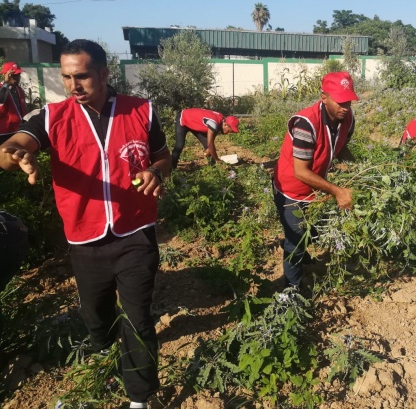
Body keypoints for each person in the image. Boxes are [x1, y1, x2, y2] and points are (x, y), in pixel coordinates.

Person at [0, 40, 171, 409]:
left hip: (135, 232)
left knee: (138, 316)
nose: (73, 85)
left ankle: (140, 398)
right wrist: (15, 155)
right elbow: (17, 144)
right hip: (85, 236)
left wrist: (157, 171)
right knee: (96, 315)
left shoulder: (141, 110)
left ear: (105, 75)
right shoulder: (51, 116)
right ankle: (104, 354)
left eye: (82, 77)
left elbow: (162, 156)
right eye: (66, 77)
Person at [273, 71, 358, 288]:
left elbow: (340, 145)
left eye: (348, 100)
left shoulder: (347, 119)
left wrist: (358, 167)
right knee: (297, 242)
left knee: (315, 231)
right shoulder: (305, 123)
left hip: (315, 188)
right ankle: (291, 292)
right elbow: (300, 172)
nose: (345, 107)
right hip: (291, 190)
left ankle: (293, 244)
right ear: (324, 97)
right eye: (340, 101)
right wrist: (338, 191)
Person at [171, 108, 239, 169]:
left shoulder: (222, 119)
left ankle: (212, 168)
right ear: (225, 125)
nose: (229, 133)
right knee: (179, 145)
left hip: (194, 123)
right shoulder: (214, 123)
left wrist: (209, 149)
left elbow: (211, 138)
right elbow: (210, 143)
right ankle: (171, 168)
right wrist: (217, 159)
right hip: (183, 118)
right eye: (230, 131)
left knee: (208, 147)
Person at [0, 62, 28, 145]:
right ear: (6, 75)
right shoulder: (2, 88)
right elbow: (1, 99)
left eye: (18, 75)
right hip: (4, 132)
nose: (17, 78)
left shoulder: (18, 89)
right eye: (13, 75)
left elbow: (22, 108)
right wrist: (6, 83)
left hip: (18, 130)